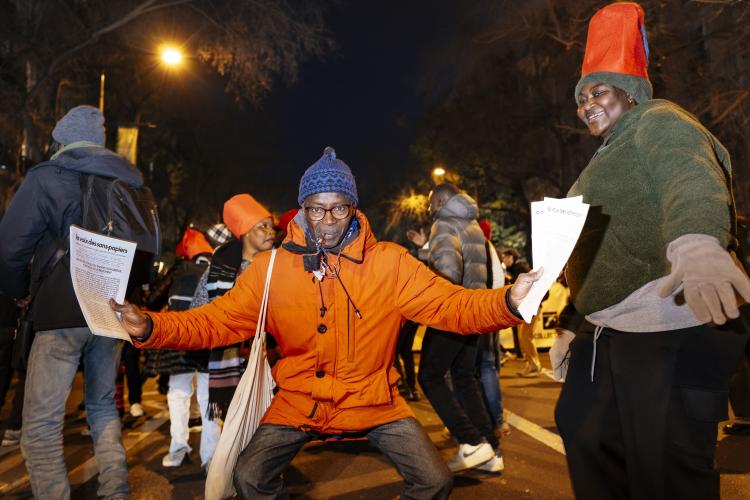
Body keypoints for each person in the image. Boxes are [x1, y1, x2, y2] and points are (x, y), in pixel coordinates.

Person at [111, 146, 540, 499]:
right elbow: (215, 321)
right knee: (249, 477)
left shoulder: (390, 263)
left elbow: (453, 306)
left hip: (373, 399)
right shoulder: (271, 268)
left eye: (339, 209)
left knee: (435, 481)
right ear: (303, 210)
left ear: (354, 209)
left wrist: (507, 300)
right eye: (317, 209)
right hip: (299, 400)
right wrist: (150, 327)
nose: (329, 221)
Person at [555, 4, 750, 500]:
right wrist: (569, 324)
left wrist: (697, 240)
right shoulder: (603, 158)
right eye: (581, 98)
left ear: (631, 92)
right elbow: (595, 249)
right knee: (585, 435)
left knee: (666, 472)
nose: (586, 105)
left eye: (598, 91)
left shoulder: (659, 120)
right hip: (605, 335)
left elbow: (689, 174)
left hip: (664, 328)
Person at [0, 105, 135, 499]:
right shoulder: (127, 182)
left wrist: (20, 291)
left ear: (60, 141)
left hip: (60, 309)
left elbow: (9, 250)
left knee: (40, 426)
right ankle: (116, 492)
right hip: (110, 308)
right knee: (103, 409)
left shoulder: (46, 177)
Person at [416, 183, 505, 473]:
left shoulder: (443, 224)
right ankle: (490, 450)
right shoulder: (471, 224)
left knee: (429, 375)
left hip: (451, 313)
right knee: (464, 378)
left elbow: (448, 273)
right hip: (473, 312)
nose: (429, 208)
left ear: (442, 202)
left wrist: (422, 277)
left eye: (431, 203)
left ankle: (471, 441)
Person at [191, 194, 277, 427]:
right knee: (236, 430)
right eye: (263, 226)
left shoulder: (278, 265)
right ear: (246, 231)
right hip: (230, 362)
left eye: (272, 226)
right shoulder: (219, 267)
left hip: (271, 361)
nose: (271, 231)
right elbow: (198, 310)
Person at [159, 227, 220, 469]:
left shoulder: (180, 268)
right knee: (209, 398)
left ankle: (178, 449)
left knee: (178, 393)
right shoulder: (218, 268)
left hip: (180, 337)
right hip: (209, 338)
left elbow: (155, 297)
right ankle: (211, 457)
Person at [502, 249, 541, 376]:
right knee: (523, 337)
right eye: (503, 258)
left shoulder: (520, 268)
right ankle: (531, 364)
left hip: (531, 306)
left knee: (525, 337)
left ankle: (534, 367)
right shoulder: (516, 269)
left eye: (506, 257)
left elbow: (527, 287)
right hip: (526, 307)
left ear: (512, 257)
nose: (504, 260)